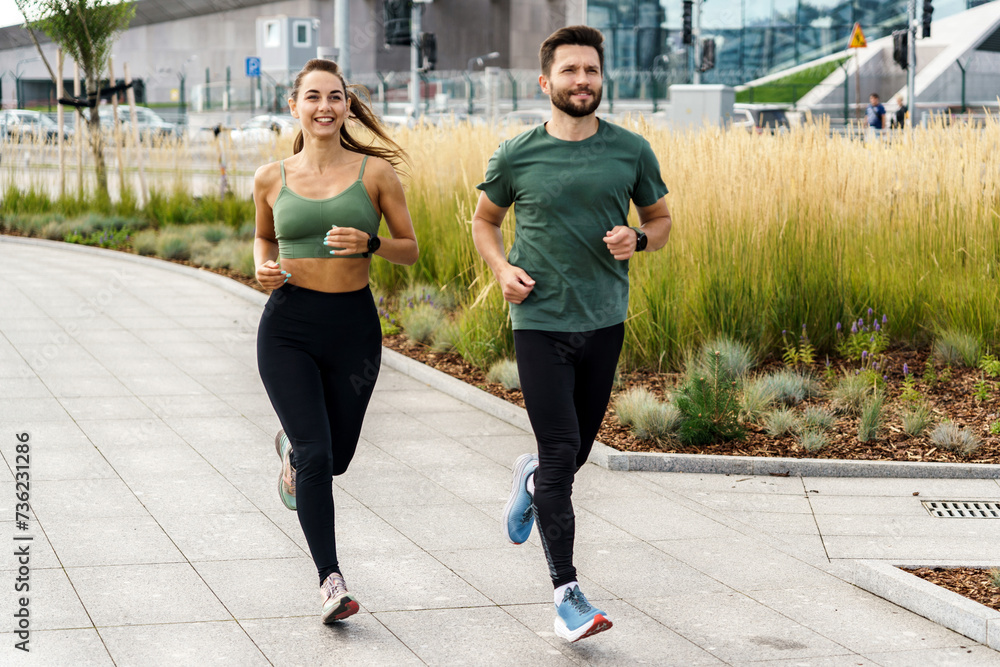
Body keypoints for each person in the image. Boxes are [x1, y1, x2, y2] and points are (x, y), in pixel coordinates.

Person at [471, 26, 672, 643]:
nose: (582, 80)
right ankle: (568, 596)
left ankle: (531, 479)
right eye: (569, 71)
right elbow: (484, 221)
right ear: (545, 82)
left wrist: (636, 240)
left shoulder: (631, 150)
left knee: (575, 456)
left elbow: (661, 222)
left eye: (591, 70)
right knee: (563, 455)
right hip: (539, 322)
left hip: (603, 320)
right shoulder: (515, 154)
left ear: (600, 78)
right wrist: (502, 269)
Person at [253, 58, 418, 624]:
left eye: (336, 97)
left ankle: (291, 454)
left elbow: (410, 247)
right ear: (293, 105)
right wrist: (264, 268)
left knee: (336, 458)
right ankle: (330, 581)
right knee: (318, 454)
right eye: (314, 96)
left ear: (348, 105)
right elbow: (260, 237)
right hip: (287, 327)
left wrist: (371, 243)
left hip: (354, 329)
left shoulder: (374, 173)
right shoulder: (270, 176)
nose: (325, 106)